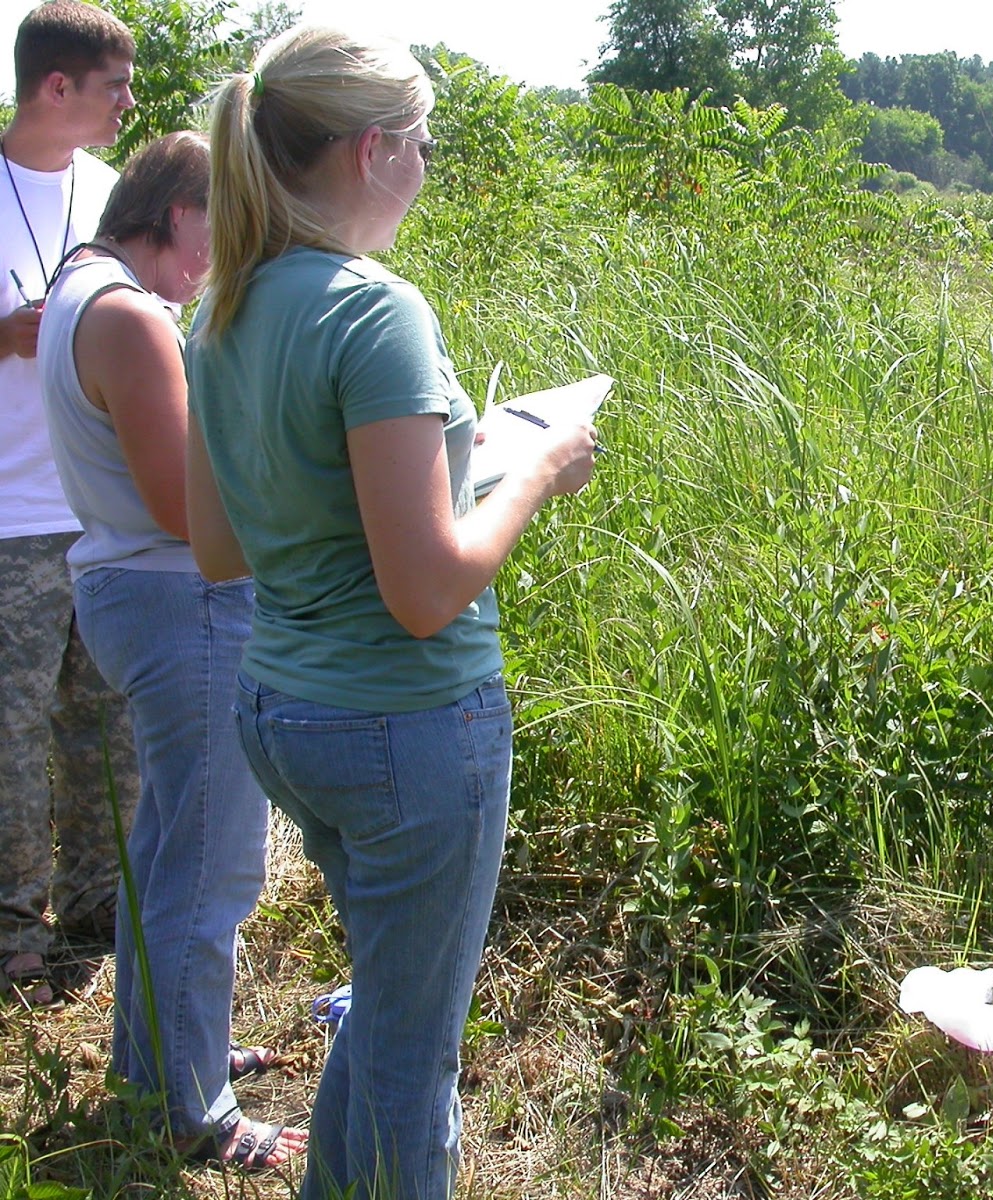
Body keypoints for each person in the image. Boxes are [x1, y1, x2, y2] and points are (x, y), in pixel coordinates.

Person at [185, 25, 596, 1200]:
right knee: (415, 1051)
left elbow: (218, 544)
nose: (425, 163)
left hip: (283, 707)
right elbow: (423, 592)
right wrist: (534, 466)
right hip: (404, 723)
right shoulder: (375, 315)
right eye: (421, 142)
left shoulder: (225, 303)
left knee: (385, 998)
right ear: (373, 151)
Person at [36, 130, 305, 1171]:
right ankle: (189, 1111)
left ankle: (161, 1062)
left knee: (169, 850)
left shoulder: (79, 288)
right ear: (176, 209)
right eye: (218, 228)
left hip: (130, 589)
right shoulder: (134, 321)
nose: (219, 258)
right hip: (179, 600)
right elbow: (187, 510)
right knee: (208, 863)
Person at [1, 0, 140, 1011]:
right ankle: (14, 926)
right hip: (7, 519)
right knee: (10, 737)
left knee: (110, 726)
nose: (129, 103)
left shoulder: (112, 198)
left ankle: (102, 910)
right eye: (114, 86)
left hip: (104, 508)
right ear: (57, 86)